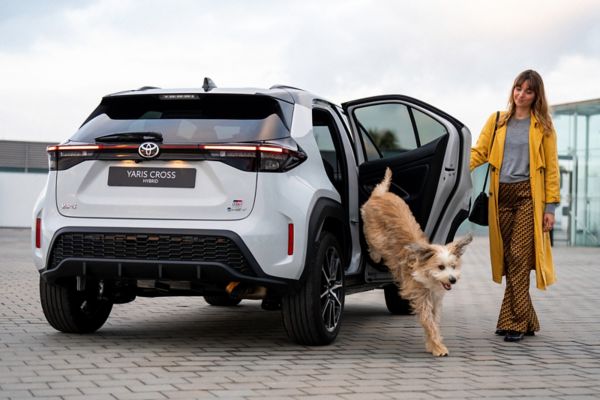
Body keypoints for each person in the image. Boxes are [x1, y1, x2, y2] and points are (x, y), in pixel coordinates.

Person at [470, 69, 560, 342]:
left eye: (528, 91)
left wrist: (550, 208)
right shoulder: (497, 120)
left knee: (520, 256)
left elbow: (552, 169)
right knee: (511, 260)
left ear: (536, 96)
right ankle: (525, 317)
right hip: (501, 197)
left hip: (528, 197)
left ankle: (516, 322)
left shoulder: (543, 126)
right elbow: (480, 152)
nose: (521, 94)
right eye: (518, 88)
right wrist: (455, 169)